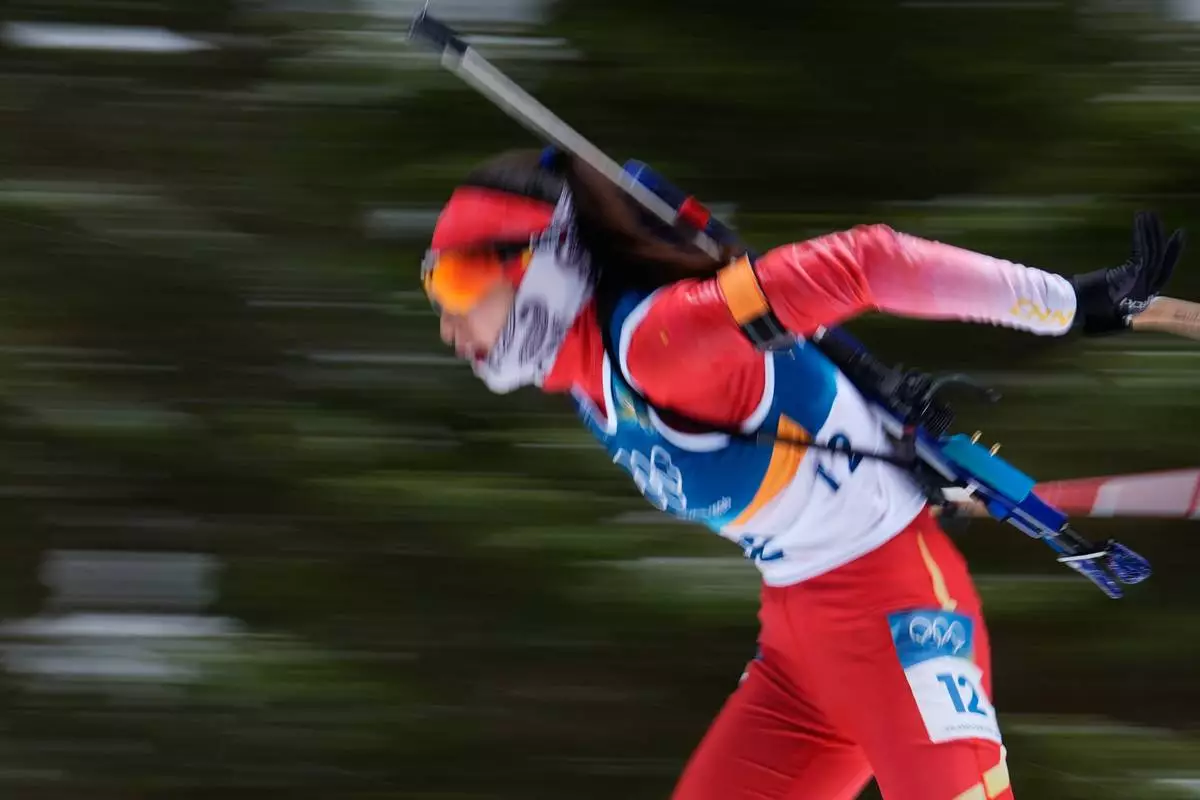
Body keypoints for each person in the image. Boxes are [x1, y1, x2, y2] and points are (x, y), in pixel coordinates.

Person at [419, 148, 1184, 800]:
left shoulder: (662, 342)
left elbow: (869, 262)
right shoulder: (589, 381)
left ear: (542, 267)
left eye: (457, 285)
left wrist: (1067, 304)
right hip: (801, 650)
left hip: (898, 620)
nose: (446, 322)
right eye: (433, 289)